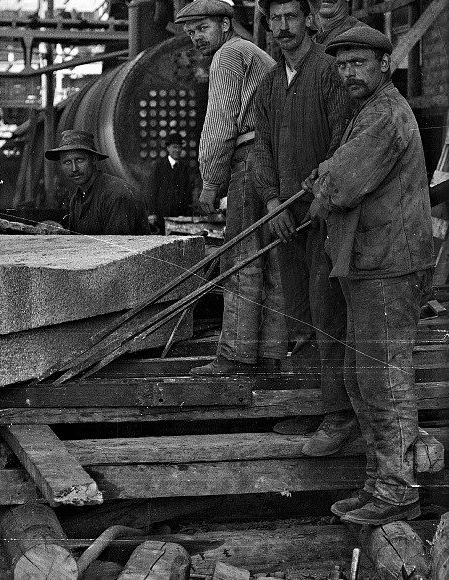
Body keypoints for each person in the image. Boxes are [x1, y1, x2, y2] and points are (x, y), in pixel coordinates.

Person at [311, 26, 434, 525]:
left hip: (389, 263)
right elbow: (336, 168)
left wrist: (321, 186)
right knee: (362, 379)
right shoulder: (368, 111)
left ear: (384, 64)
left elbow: (342, 183)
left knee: (383, 378)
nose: (349, 73)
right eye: (342, 65)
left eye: (359, 63)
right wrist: (321, 177)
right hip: (367, 261)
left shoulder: (385, 113)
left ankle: (400, 490)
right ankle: (378, 484)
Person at [252, 0, 356, 451]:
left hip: (326, 216)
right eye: (275, 19)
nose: (283, 27)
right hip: (288, 219)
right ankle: (314, 407)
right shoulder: (270, 84)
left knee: (328, 313)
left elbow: (342, 140)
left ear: (309, 20)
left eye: (292, 17)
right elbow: (262, 150)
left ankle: (339, 415)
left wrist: (320, 197)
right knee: (299, 314)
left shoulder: (329, 73)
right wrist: (274, 202)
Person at [177, 0, 286, 375]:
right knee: (270, 259)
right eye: (190, 32)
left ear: (225, 24)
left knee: (239, 258)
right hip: (271, 156)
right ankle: (271, 356)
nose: (195, 37)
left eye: (202, 27)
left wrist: (210, 181)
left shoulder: (228, 56)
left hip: (250, 158)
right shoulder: (251, 53)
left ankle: (235, 357)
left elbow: (221, 123)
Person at [45, 130, 149, 235]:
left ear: (94, 159)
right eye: (67, 162)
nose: (74, 168)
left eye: (80, 160)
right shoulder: (77, 198)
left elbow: (117, 248)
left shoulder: (116, 195)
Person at [145, 135, 197, 233]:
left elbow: (187, 192)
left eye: (179, 147)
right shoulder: (159, 167)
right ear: (168, 148)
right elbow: (152, 190)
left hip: (180, 217)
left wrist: (187, 213)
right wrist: (152, 213)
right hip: (161, 216)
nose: (177, 150)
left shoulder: (184, 168)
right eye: (174, 147)